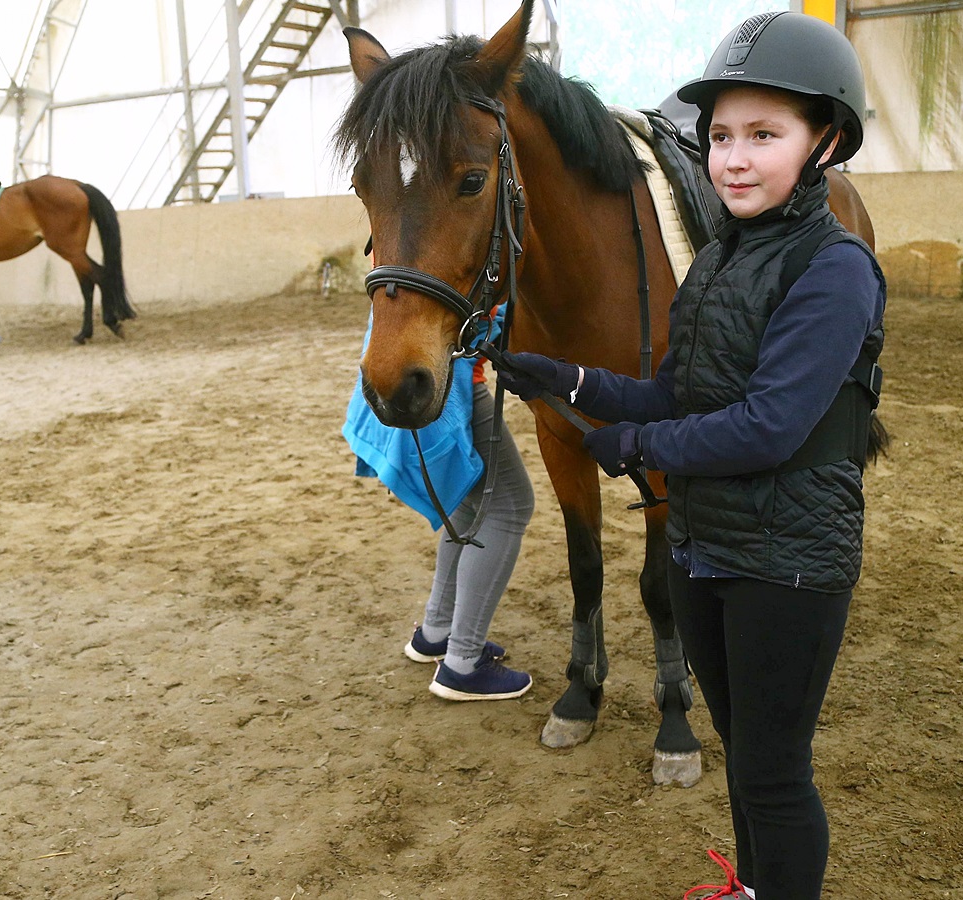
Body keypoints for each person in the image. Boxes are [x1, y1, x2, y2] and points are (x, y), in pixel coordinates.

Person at [495, 12, 885, 899]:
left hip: (789, 562)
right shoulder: (718, 260)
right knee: (746, 760)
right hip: (707, 547)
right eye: (719, 137)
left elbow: (766, 427)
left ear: (825, 143)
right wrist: (563, 377)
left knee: (775, 775)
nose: (734, 159)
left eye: (763, 135)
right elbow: (674, 392)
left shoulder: (834, 270)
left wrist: (629, 445)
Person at [343, 307, 535, 701]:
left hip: (414, 373)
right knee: (510, 507)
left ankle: (436, 632)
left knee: (466, 506)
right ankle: (463, 663)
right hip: (449, 384)